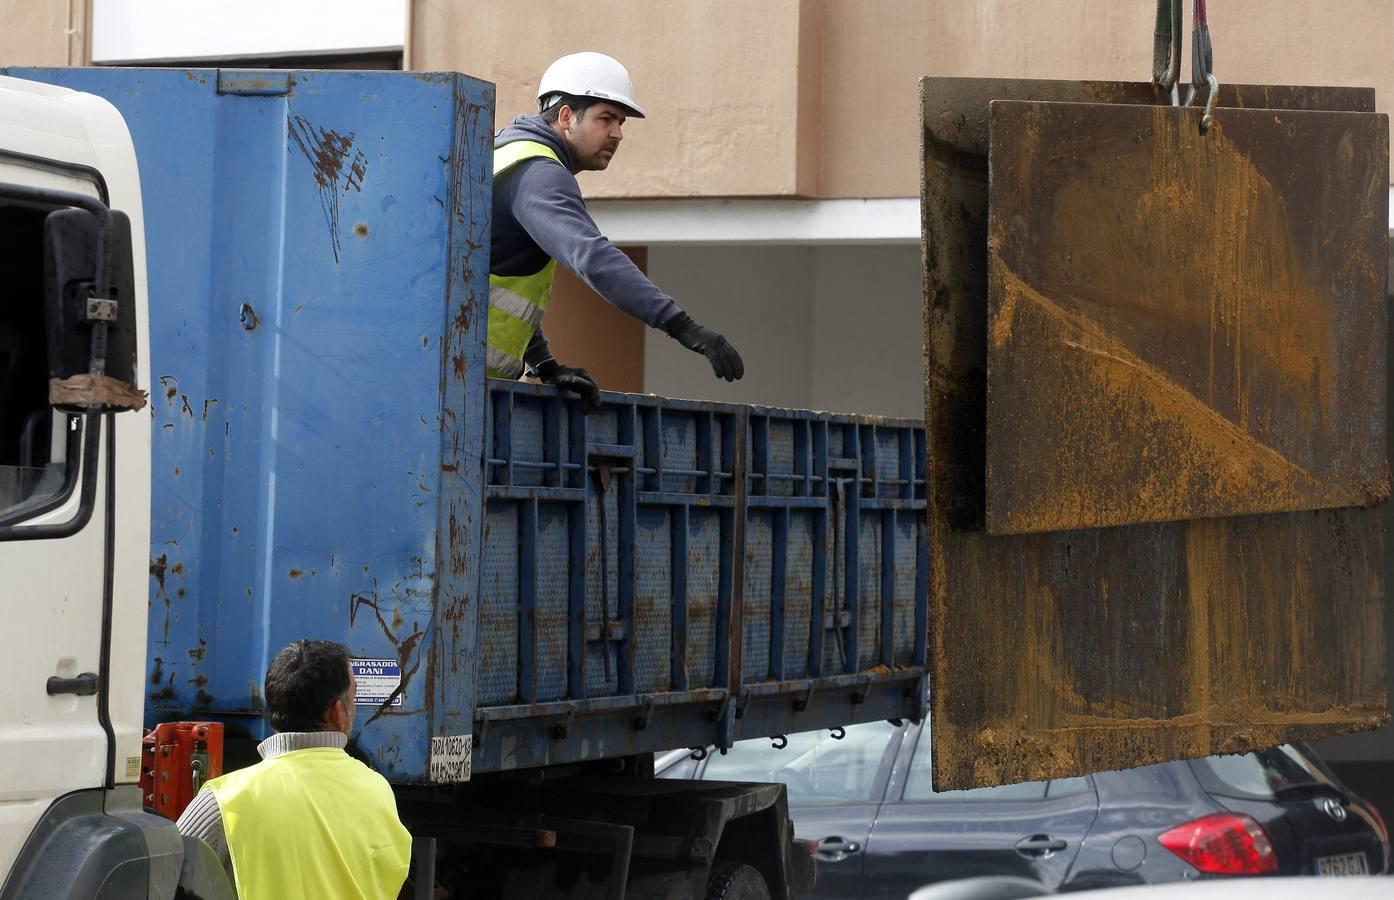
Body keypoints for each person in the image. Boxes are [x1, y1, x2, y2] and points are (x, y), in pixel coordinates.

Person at [489, 51, 744, 412]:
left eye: (621, 121)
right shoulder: (539, 173)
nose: (618, 134)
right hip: (447, 383)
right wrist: (683, 327)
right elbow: (592, 257)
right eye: (606, 118)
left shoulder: (508, 154)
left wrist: (544, 363)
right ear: (566, 116)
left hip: (447, 373)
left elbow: (496, 280)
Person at [176, 640, 411, 899]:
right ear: (338, 712)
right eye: (352, 697)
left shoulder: (226, 800)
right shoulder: (377, 791)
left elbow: (164, 879)